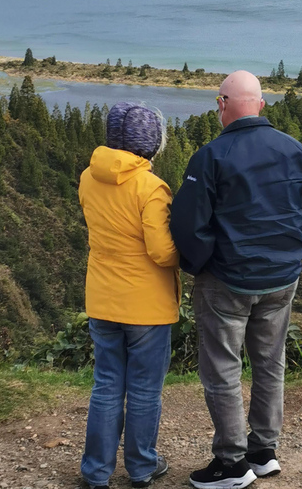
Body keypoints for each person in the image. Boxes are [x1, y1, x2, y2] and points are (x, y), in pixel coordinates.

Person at [170, 70, 302, 489]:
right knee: (270, 363)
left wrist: (202, 264)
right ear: (261, 104)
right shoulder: (296, 150)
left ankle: (230, 464)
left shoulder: (211, 156)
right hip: (281, 278)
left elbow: (188, 223)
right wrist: (297, 255)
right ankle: (263, 451)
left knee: (222, 368)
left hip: (228, 280)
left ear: (221, 104)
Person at [79, 102, 179, 489]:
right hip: (146, 306)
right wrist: (187, 253)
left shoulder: (88, 178)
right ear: (151, 143)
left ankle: (96, 473)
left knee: (106, 384)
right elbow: (161, 251)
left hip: (102, 298)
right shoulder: (150, 187)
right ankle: (141, 468)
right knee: (143, 389)